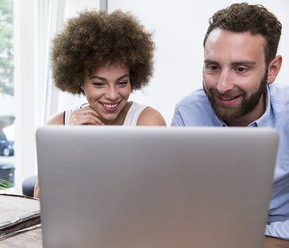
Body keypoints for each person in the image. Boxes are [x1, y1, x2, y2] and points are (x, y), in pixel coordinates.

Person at [171, 3, 289, 244]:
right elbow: (177, 203)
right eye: (213, 67)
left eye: (241, 69)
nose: (223, 85)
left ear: (272, 69)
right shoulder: (187, 113)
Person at [33, 10, 166, 198]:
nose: (112, 95)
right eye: (98, 84)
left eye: (122, 83)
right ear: (80, 81)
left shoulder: (147, 122)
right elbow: (38, 203)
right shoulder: (57, 126)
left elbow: (160, 196)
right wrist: (66, 142)